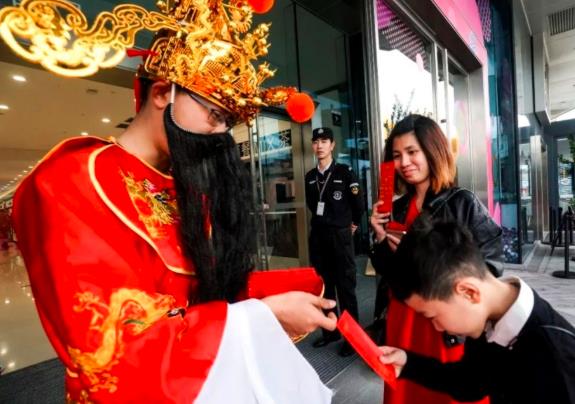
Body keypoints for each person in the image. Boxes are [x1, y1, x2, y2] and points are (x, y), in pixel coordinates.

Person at [2, 1, 336, 402]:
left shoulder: (187, 188)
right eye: (214, 115)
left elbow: (202, 296)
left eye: (228, 124)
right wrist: (263, 316)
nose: (220, 135)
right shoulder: (70, 181)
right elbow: (116, 357)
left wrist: (284, 292)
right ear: (163, 92)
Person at [369, 114, 502, 404]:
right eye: (397, 155)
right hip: (403, 321)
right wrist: (380, 237)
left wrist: (429, 256)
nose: (404, 162)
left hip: (443, 324)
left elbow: (491, 264)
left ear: (432, 150)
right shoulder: (398, 208)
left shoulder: (461, 201)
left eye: (412, 152)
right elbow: (391, 273)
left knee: (446, 392)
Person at [380, 218, 575, 404]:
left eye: (433, 316)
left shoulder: (555, 357)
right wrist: (407, 363)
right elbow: (471, 382)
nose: (437, 327)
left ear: (468, 292)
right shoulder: (488, 318)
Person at [305, 127, 365, 357]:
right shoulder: (310, 177)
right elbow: (313, 205)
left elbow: (358, 204)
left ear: (332, 145)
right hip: (319, 237)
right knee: (325, 288)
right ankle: (330, 332)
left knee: (345, 287)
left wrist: (352, 225)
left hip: (340, 237)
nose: (319, 145)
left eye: (324, 141)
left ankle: (353, 338)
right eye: (316, 141)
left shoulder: (344, 172)